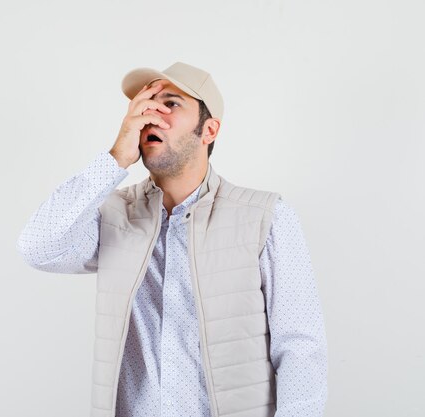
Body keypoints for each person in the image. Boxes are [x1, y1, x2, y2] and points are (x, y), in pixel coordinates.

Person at [17, 62, 328, 417]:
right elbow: (38, 248)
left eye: (170, 103)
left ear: (209, 129)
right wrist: (115, 158)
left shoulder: (266, 216)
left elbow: (301, 347)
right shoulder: (113, 215)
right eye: (144, 104)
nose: (150, 114)